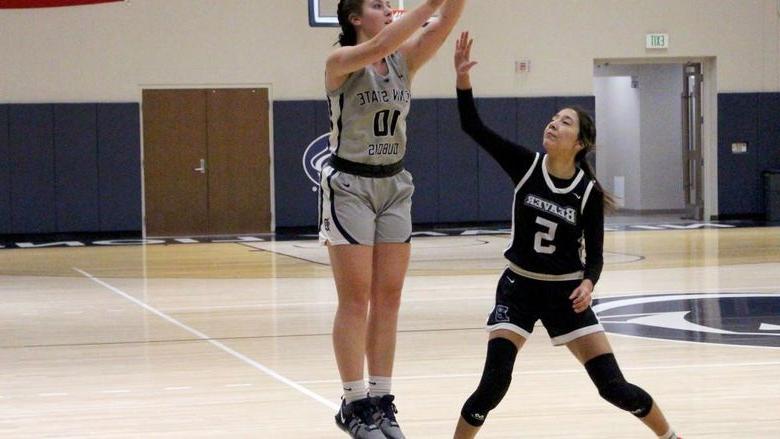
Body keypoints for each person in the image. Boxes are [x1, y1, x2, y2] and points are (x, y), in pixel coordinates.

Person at [450, 32, 682, 439]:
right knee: (493, 386)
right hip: (519, 288)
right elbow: (472, 126)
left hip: (564, 296)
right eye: (554, 118)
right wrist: (463, 79)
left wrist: (590, 282)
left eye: (565, 122)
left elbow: (595, 255)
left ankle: (671, 436)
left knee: (615, 389)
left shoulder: (588, 192)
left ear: (580, 142)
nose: (554, 124)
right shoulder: (526, 166)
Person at [321, 1, 465, 438]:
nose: (386, 8)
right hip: (351, 185)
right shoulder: (340, 62)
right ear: (354, 18)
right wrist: (431, 4)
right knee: (356, 298)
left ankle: (381, 402)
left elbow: (446, 22)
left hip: (394, 184)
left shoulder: (403, 63)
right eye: (377, 4)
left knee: (390, 296)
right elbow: (387, 40)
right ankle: (353, 401)